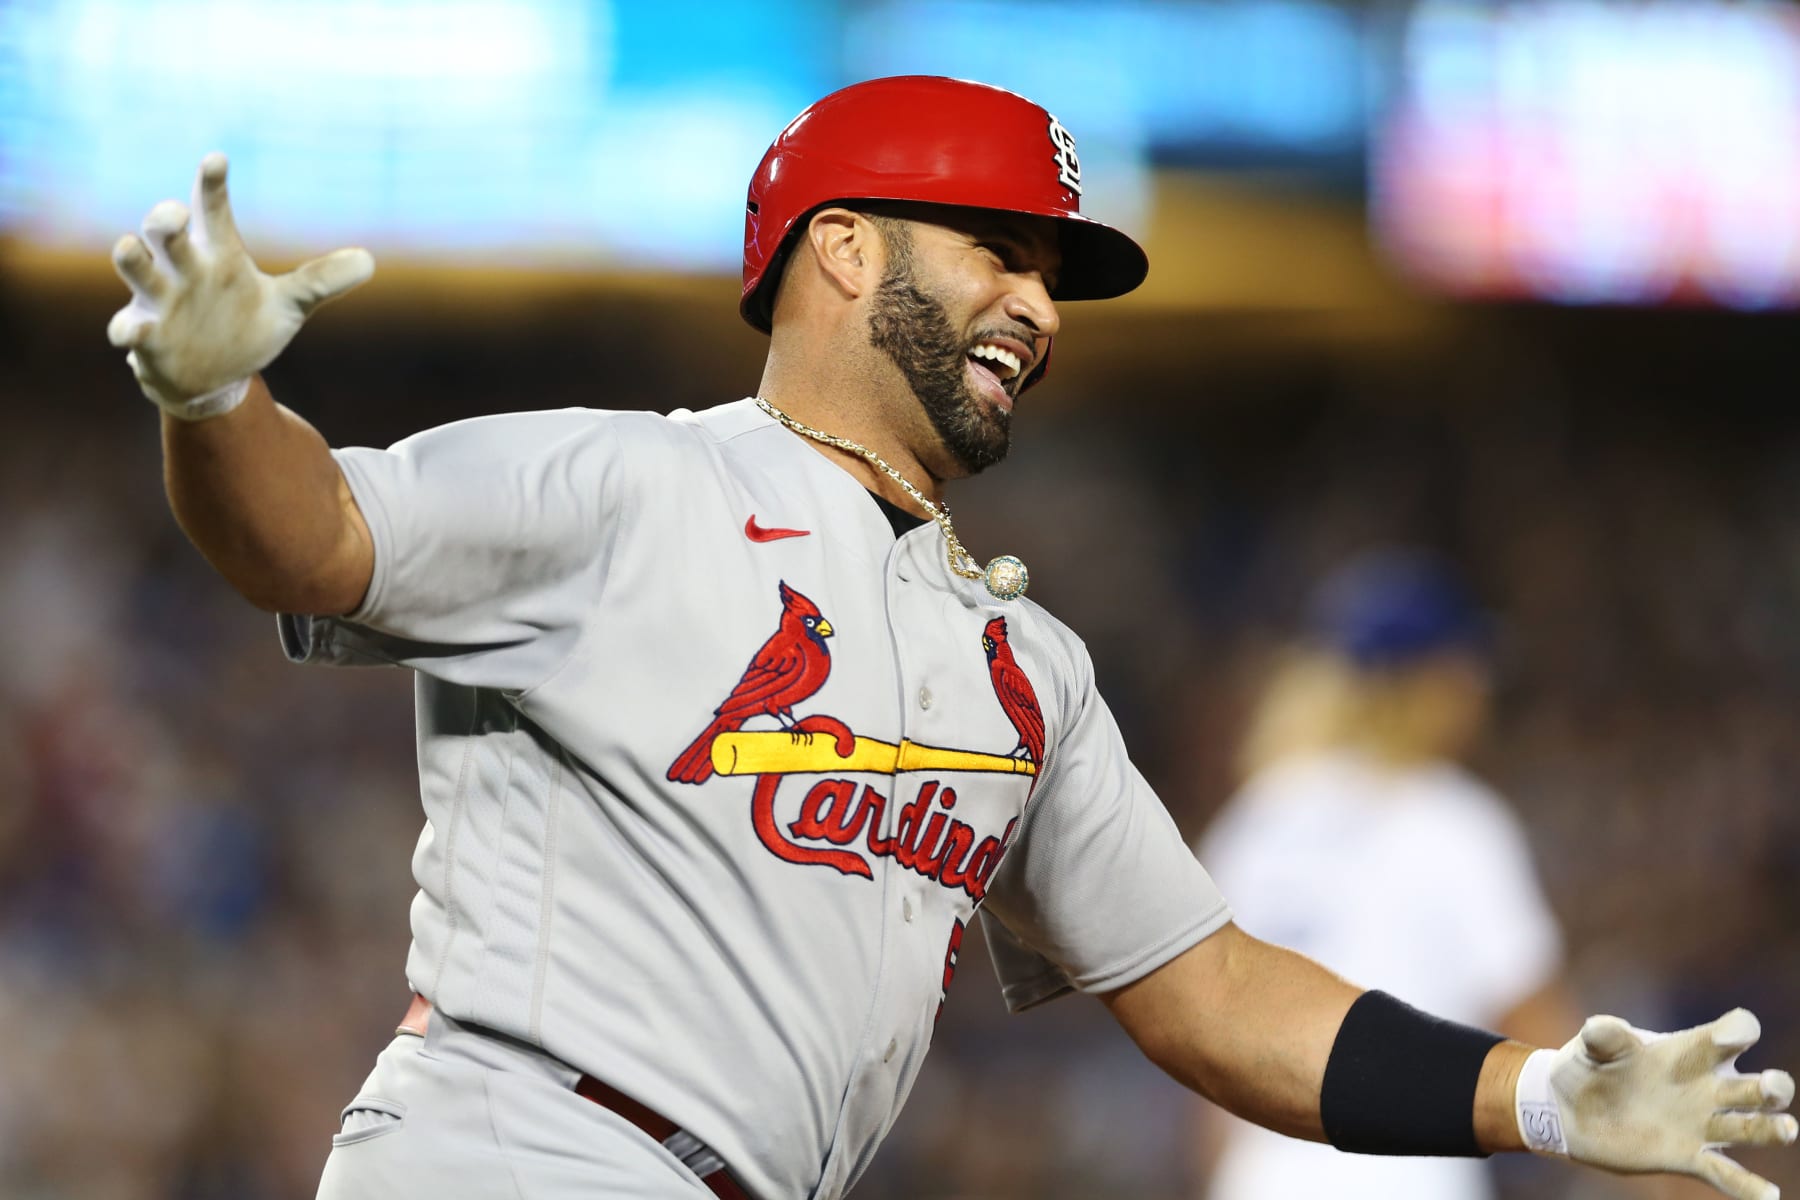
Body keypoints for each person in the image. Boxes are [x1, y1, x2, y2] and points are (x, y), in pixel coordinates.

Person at [104, 75, 1795, 1200]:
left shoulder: (1025, 664)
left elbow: (1211, 991)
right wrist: (215, 398)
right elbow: (309, 538)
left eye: (1049, 273)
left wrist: (1540, 1099)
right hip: (521, 1152)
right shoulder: (628, 482)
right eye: (998, 249)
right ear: (841, 249)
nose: (1041, 308)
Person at [1192, 549, 1590, 1200]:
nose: (1479, 690)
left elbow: (1206, 1061)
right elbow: (1549, 1042)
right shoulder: (1451, 822)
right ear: (1422, 683)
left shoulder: (1254, 824)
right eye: (1464, 669)